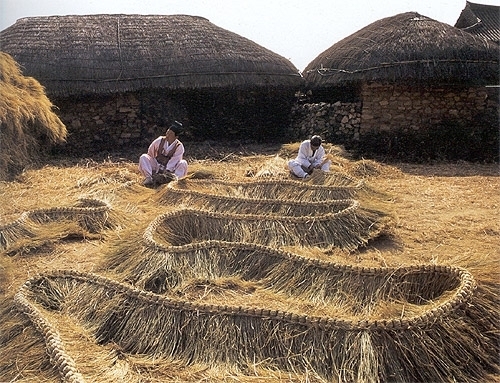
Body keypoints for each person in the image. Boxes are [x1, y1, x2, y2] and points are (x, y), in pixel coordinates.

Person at [138, 121, 188, 186]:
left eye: (170, 134)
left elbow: (175, 160)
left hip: (170, 171)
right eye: (167, 133)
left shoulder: (179, 147)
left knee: (183, 163)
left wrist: (167, 171)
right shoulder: (159, 140)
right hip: (157, 165)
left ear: (176, 137)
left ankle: (174, 181)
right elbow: (150, 153)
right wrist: (151, 163)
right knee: (143, 157)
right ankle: (149, 178)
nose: (167, 135)